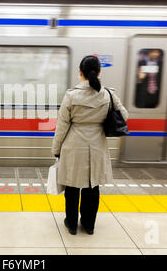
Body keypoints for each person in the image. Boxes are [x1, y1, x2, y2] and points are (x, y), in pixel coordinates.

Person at [52, 55, 128, 235]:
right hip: (97, 145)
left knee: (71, 186)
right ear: (99, 72)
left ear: (80, 73)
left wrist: (56, 150)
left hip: (73, 145)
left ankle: (71, 224)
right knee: (92, 186)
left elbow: (62, 126)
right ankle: (89, 224)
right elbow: (123, 116)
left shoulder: (71, 95)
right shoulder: (108, 94)